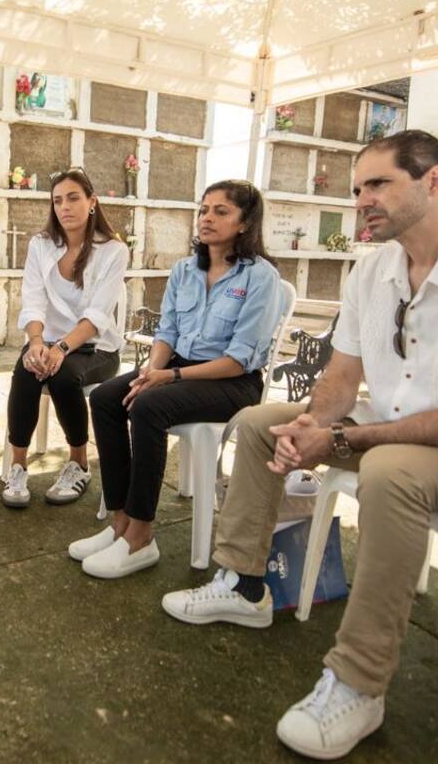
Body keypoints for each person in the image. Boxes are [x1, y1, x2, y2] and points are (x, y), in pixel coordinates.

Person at [160, 132, 438, 759]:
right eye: (358, 188)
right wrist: (313, 425)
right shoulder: (375, 268)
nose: (362, 200)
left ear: (434, 181)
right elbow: (341, 378)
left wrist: (342, 435)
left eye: (378, 184)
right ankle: (245, 586)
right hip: (387, 424)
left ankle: (359, 683)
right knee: (259, 423)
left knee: (388, 471)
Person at [71, 180, 280, 579]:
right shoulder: (185, 270)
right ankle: (119, 523)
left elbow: (238, 360)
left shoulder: (260, 277)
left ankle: (141, 537)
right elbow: (166, 332)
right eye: (204, 209)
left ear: (244, 223)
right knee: (108, 398)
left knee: (149, 405)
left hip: (231, 382)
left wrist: (170, 377)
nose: (207, 218)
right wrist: (152, 371)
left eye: (221, 211)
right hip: (178, 367)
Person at [2, 168, 126, 508]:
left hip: (96, 347)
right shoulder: (41, 245)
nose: (64, 207)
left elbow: (99, 315)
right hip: (49, 340)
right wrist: (37, 343)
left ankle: (79, 463)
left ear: (91, 203)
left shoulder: (113, 250)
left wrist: (61, 349)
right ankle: (17, 466)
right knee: (26, 371)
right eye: (57, 200)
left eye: (73, 198)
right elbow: (33, 300)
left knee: (64, 376)